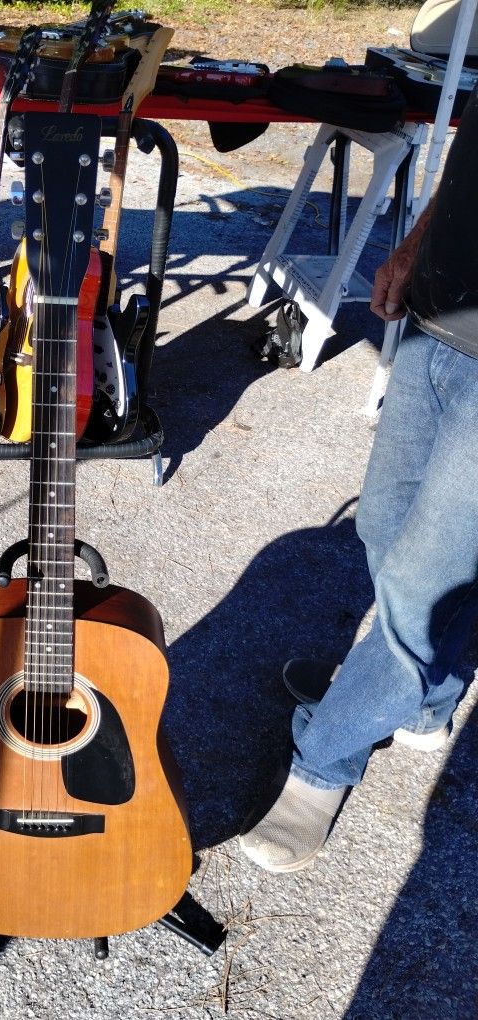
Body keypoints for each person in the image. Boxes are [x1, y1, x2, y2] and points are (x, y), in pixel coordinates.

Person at [239, 83, 478, 873]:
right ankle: (423, 696)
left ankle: (323, 764)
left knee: (419, 581)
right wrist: (414, 245)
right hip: (438, 315)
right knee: (383, 525)